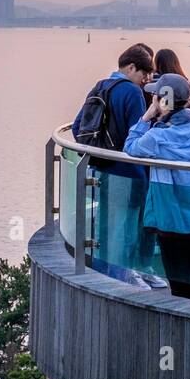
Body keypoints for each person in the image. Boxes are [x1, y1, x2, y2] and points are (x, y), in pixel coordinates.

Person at [123, 73, 190, 302]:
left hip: (173, 222)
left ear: (162, 101)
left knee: (180, 292)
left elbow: (129, 147)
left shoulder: (157, 137)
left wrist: (147, 116)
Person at [70, 44, 155, 282]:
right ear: (131, 67)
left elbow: (78, 127)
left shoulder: (100, 86)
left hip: (100, 170)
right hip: (128, 173)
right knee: (126, 229)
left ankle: (103, 274)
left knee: (105, 227)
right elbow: (137, 136)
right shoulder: (132, 92)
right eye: (142, 74)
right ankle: (122, 277)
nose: (143, 80)